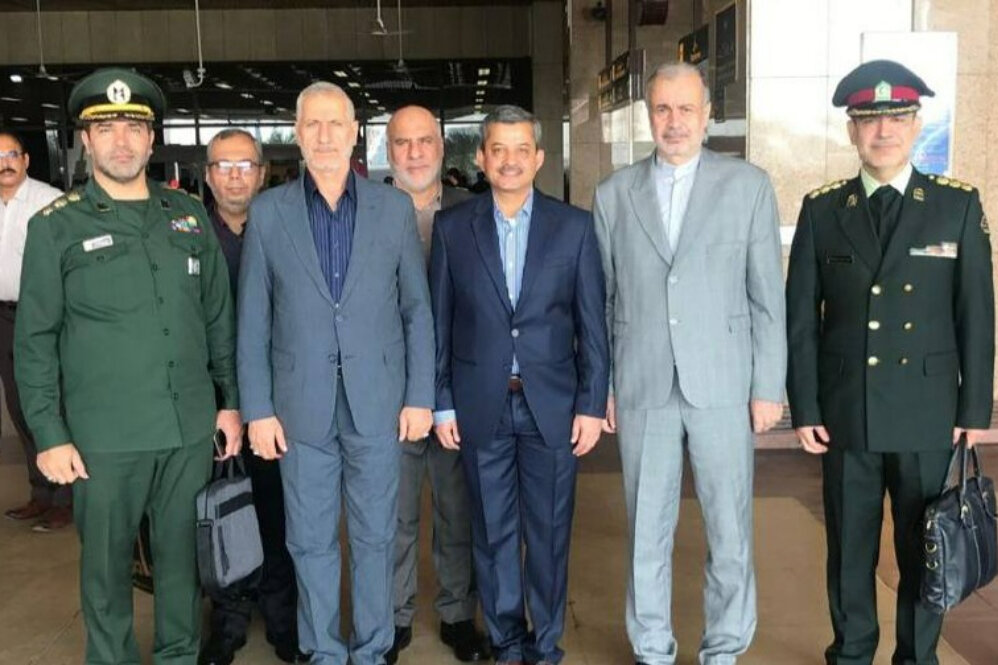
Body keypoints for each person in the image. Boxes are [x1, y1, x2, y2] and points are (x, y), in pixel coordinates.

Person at [15, 67, 242, 665]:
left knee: (181, 565)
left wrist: (230, 403)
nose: (122, 141)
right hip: (104, 437)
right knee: (106, 569)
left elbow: (218, 319)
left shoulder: (187, 216)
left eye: (134, 128)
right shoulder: (56, 227)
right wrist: (49, 433)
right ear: (86, 141)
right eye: (107, 128)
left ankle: (178, 656)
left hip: (187, 428)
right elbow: (34, 339)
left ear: (151, 138)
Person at [786, 59, 994, 665]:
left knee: (923, 547)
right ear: (851, 130)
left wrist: (974, 409)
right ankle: (851, 653)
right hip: (846, 411)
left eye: (897, 118)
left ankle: (917, 657)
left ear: (916, 124)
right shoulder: (824, 209)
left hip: (927, 412)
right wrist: (806, 406)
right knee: (849, 549)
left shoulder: (955, 206)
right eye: (870, 120)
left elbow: (976, 314)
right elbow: (801, 320)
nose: (884, 131)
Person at [593, 62, 786, 665]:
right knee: (646, 531)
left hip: (724, 382)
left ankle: (723, 648)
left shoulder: (748, 187)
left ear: (707, 115)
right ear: (648, 115)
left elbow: (767, 296)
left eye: (685, 109)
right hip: (642, 380)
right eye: (662, 109)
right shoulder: (613, 195)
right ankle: (652, 648)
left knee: (729, 529)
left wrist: (768, 385)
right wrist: (604, 386)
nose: (673, 122)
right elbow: (603, 300)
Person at [237, 81, 435, 665]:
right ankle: (322, 650)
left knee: (376, 537)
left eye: (335, 124)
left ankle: (372, 649)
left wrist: (420, 396)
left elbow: (416, 310)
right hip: (299, 408)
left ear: (354, 134)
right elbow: (253, 320)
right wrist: (257, 410)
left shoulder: (392, 209)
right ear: (297, 135)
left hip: (379, 402)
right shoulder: (269, 213)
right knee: (310, 540)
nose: (324, 136)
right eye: (312, 124)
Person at [430, 105, 610, 665]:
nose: (509, 161)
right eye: (498, 150)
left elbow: (592, 324)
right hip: (479, 404)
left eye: (521, 150)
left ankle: (545, 644)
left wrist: (591, 404)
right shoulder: (453, 229)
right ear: (482, 158)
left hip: (550, 407)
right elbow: (439, 324)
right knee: (493, 534)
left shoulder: (574, 227)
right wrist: (441, 403)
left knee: (550, 533)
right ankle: (507, 643)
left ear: (539, 158)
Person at [198, 129, 307, 665]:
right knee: (221, 509)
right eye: (224, 165)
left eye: (246, 165)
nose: (235, 175)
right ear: (208, 175)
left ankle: (284, 620)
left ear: (262, 174)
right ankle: (229, 619)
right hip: (212, 403)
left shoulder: (287, 228)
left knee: (277, 511)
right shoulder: (190, 235)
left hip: (274, 402)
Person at [384, 105, 489, 664]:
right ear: (388, 151)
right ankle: (394, 617)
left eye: (425, 140)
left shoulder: (475, 211)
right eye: (403, 143)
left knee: (456, 512)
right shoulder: (367, 210)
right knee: (393, 516)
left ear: (442, 147)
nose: (415, 152)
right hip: (389, 395)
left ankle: (456, 614)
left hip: (456, 395)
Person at [0, 130, 65, 530]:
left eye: (11, 154)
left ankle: (65, 497)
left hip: (41, 318)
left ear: (25, 160)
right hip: (3, 319)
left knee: (49, 404)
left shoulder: (49, 202)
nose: (4, 163)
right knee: (18, 408)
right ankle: (40, 493)